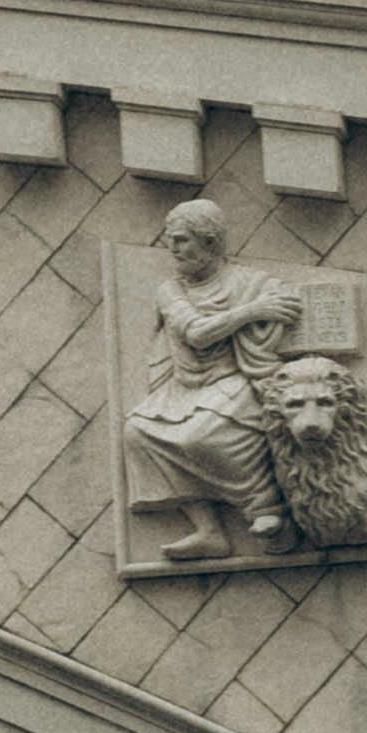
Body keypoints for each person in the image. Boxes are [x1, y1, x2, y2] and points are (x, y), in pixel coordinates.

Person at [125, 198, 299, 564]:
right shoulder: (170, 290)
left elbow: (287, 303)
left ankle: (266, 509)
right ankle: (208, 530)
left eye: (182, 240)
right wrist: (252, 312)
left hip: (235, 380)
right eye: (170, 240)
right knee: (138, 433)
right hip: (186, 386)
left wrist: (272, 309)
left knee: (200, 435)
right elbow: (197, 333)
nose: (172, 248)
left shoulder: (249, 283)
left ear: (210, 242)